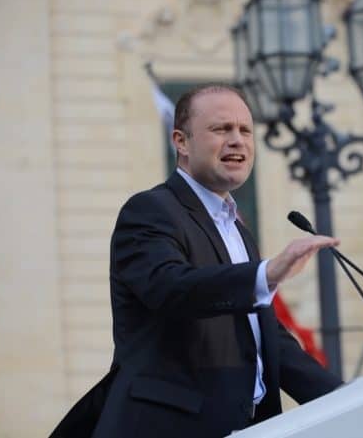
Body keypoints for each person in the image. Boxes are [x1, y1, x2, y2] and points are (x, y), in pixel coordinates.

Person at [57, 83, 343, 438]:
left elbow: (267, 339)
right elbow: (171, 288)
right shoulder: (149, 211)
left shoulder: (236, 229)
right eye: (221, 129)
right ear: (181, 142)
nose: (237, 140)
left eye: (245, 130)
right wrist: (264, 274)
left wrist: (346, 397)